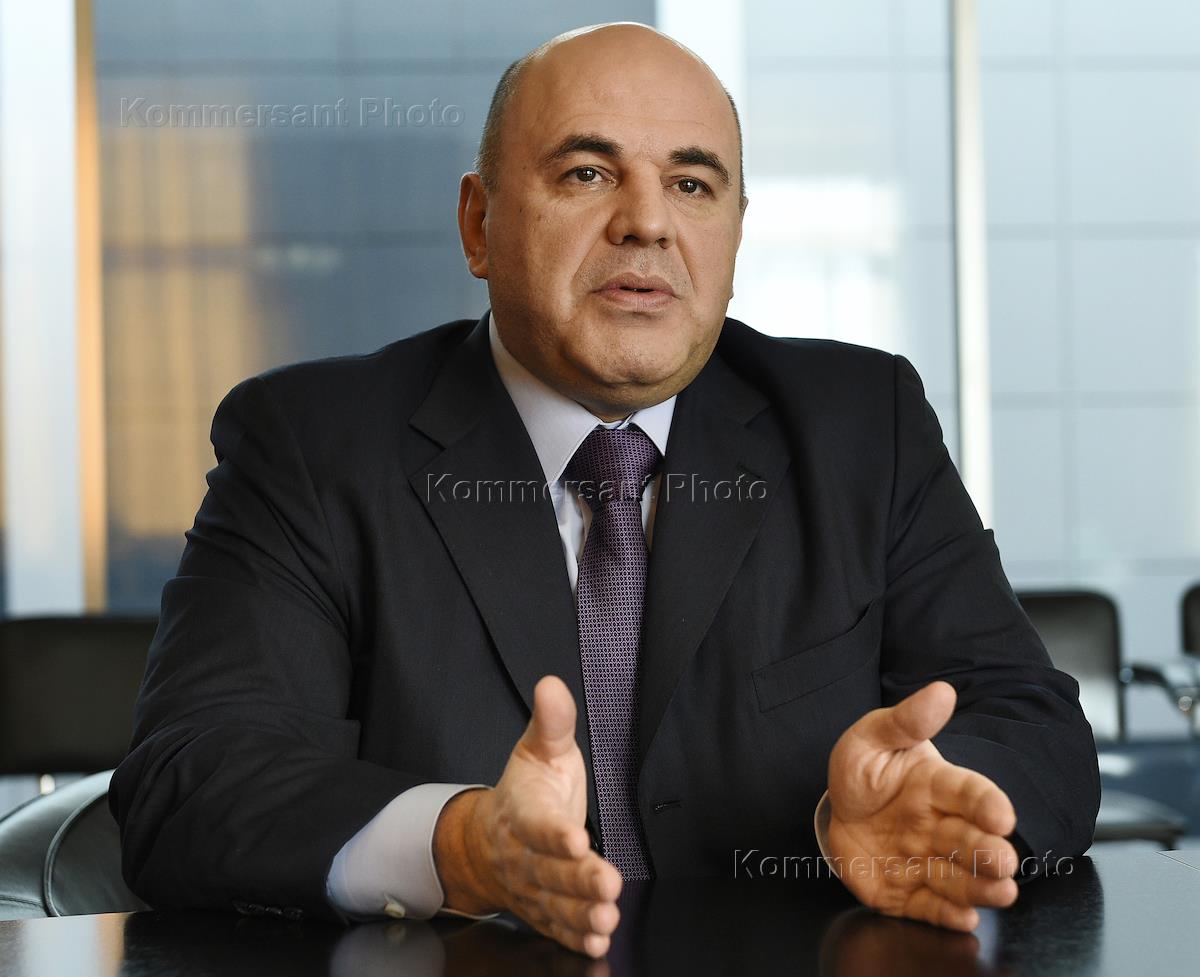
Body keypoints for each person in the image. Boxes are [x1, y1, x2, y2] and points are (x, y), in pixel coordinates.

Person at [110, 22, 1100, 960]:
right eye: (587, 173)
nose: (648, 222)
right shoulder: (313, 444)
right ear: (479, 224)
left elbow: (1035, 723)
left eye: (692, 183)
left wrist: (927, 805)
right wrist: (461, 845)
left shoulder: (861, 423)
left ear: (735, 234)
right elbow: (192, 780)